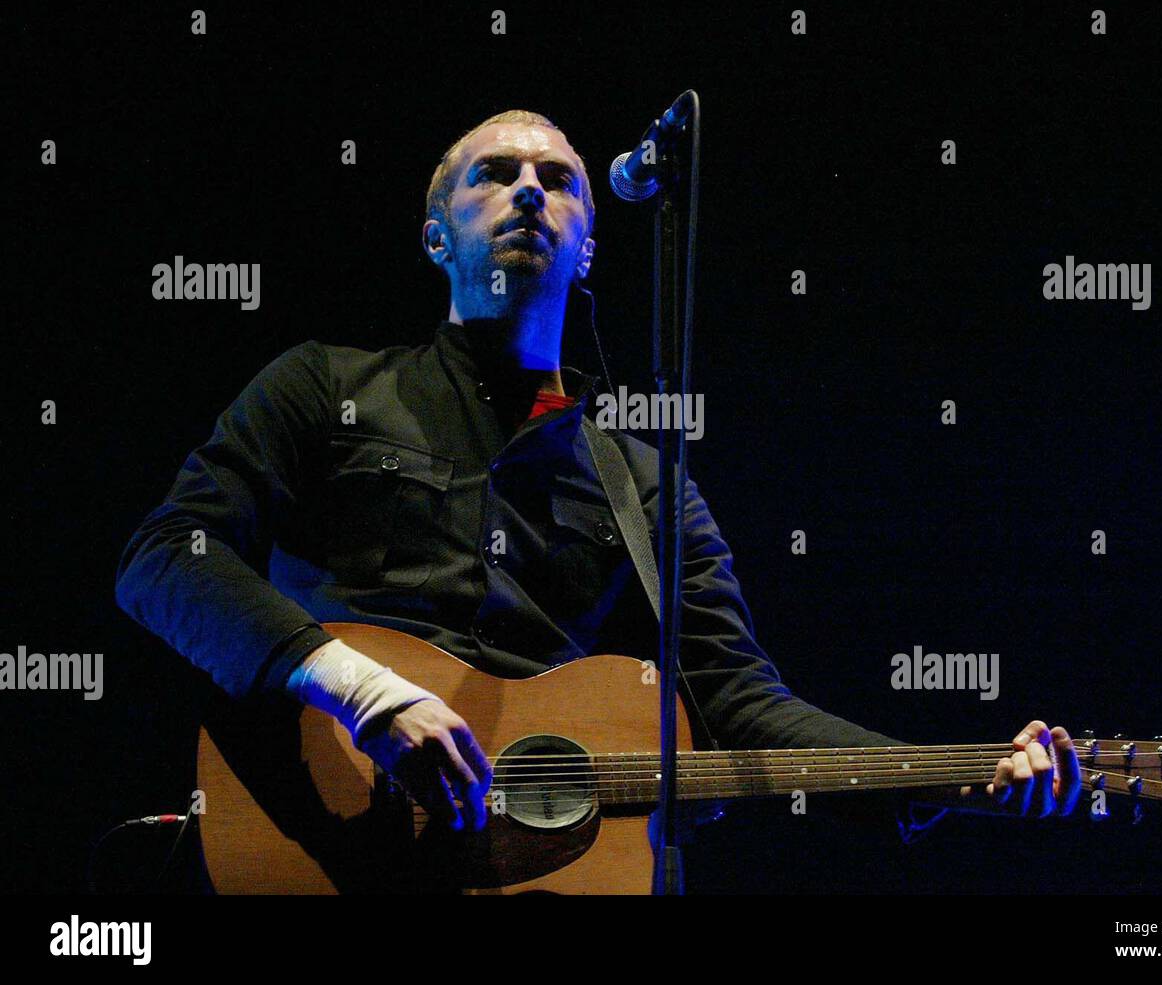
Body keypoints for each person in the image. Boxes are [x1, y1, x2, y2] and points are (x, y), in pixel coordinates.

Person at [115, 109, 1081, 844]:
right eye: (494, 175)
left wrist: (958, 770)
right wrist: (364, 693)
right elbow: (162, 556)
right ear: (435, 236)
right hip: (325, 839)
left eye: (560, 181)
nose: (529, 191)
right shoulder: (320, 385)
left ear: (588, 249)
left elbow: (739, 704)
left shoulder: (651, 487)